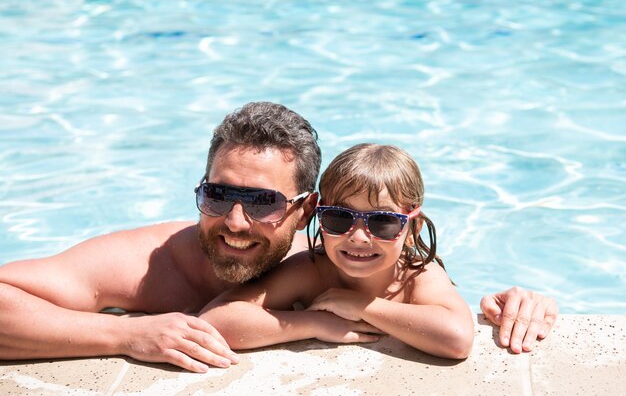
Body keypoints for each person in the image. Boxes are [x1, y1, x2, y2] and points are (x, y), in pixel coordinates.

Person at [0, 102, 558, 372]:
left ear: (307, 210)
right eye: (218, 196)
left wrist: (515, 299)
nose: (236, 223)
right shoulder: (140, 263)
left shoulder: (333, 247)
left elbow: (420, 286)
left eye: (263, 202)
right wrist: (127, 336)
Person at [201, 143, 474, 358]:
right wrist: (314, 324)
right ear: (318, 217)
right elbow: (215, 322)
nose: (358, 237)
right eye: (339, 219)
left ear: (412, 229)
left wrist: (361, 306)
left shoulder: (417, 275)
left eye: (383, 222)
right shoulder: (312, 270)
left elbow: (457, 339)